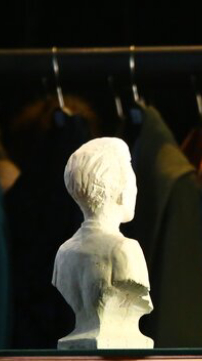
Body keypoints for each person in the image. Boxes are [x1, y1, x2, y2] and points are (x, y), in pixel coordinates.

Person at [53, 137, 153, 349]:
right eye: (131, 178)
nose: (136, 188)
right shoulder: (124, 250)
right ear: (118, 189)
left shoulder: (64, 252)